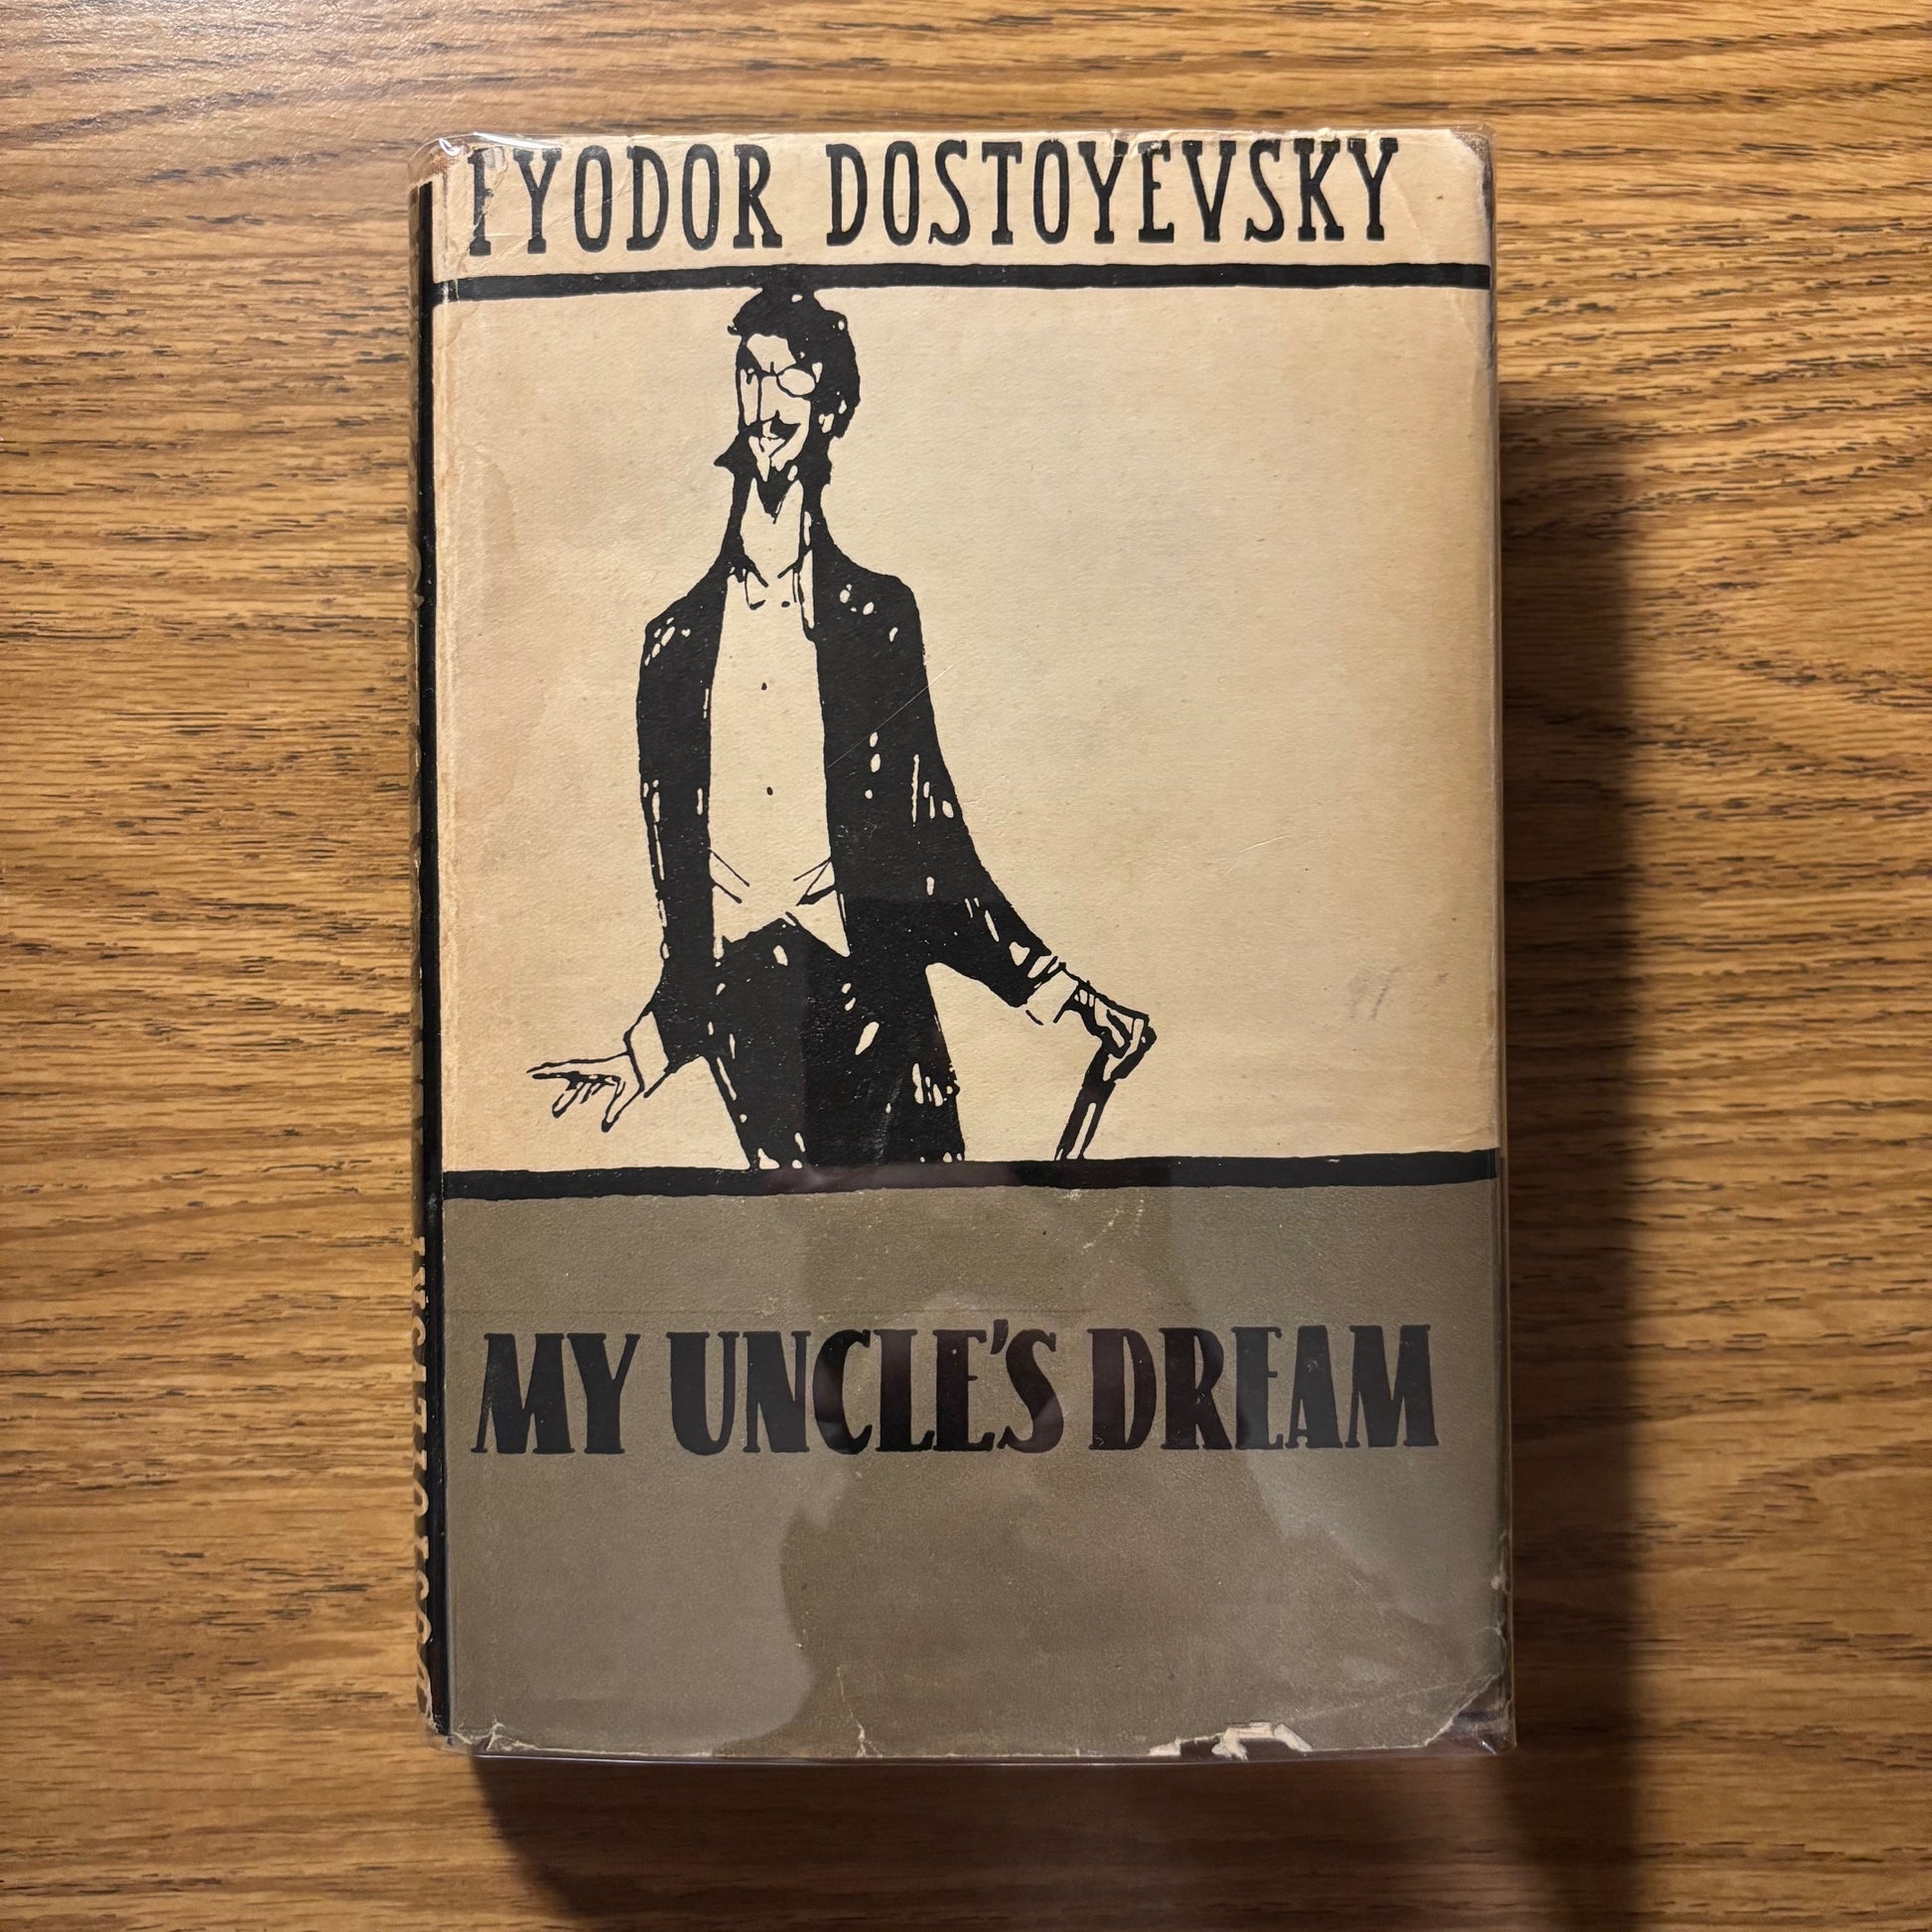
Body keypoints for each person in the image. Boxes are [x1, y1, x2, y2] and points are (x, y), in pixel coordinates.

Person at [533, 280, 1150, 1168]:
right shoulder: (672, 647)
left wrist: (1060, 991)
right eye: (752, 375)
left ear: (831, 408)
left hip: (880, 1012)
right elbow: (686, 900)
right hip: (753, 1031)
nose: (767, 402)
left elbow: (934, 850)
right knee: (810, 1248)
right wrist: (642, 1057)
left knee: (931, 1240)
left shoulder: (879, 619)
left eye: (793, 378)